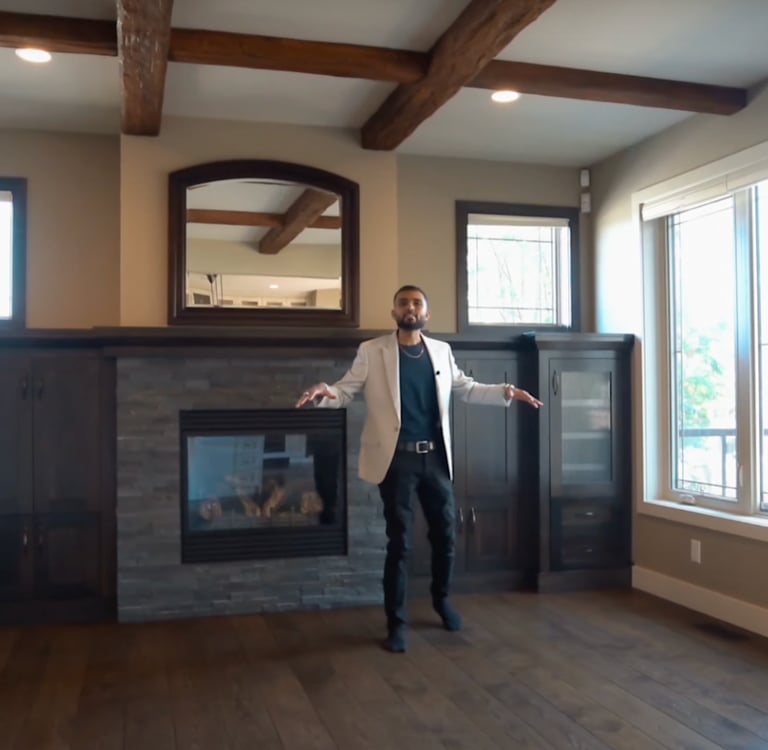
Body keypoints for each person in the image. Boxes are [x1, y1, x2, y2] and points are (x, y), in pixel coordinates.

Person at [296, 285, 542, 653]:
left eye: (416, 303)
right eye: (403, 303)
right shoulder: (372, 351)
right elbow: (346, 390)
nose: (409, 308)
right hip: (396, 460)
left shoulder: (441, 350)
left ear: (426, 313)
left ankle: (441, 602)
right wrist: (325, 391)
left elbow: (465, 388)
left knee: (446, 535)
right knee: (401, 542)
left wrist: (506, 391)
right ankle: (396, 623)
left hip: (435, 459)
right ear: (394, 311)